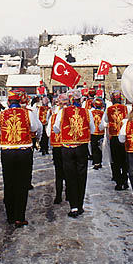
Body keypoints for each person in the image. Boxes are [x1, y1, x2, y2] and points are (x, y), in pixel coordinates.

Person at [0, 90, 39, 227]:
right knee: (22, 183)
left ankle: (10, 216)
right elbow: (35, 127)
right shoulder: (27, 113)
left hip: (7, 151)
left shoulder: (2, 114)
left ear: (8, 103)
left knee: (9, 182)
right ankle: (20, 216)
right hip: (24, 151)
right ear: (19, 102)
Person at [53, 89, 95, 218]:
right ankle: (80, 204)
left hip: (67, 148)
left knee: (70, 175)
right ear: (80, 100)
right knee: (81, 176)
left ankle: (74, 207)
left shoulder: (62, 112)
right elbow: (92, 129)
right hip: (81, 147)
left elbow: (56, 129)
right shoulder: (87, 112)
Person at [100, 93, 128, 190]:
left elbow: (102, 123)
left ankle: (119, 182)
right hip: (124, 137)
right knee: (124, 160)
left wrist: (108, 125)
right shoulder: (126, 108)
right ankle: (125, 180)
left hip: (114, 137)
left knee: (116, 160)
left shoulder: (108, 110)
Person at [46, 94, 68, 204]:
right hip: (68, 146)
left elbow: (48, 132)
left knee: (59, 172)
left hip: (57, 147)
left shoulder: (53, 117)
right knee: (69, 171)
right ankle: (68, 193)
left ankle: (58, 196)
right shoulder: (71, 115)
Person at [90, 98, 105, 170]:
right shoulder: (103, 113)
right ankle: (99, 161)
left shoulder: (91, 112)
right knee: (100, 148)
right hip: (101, 132)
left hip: (93, 133)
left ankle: (96, 162)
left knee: (94, 147)